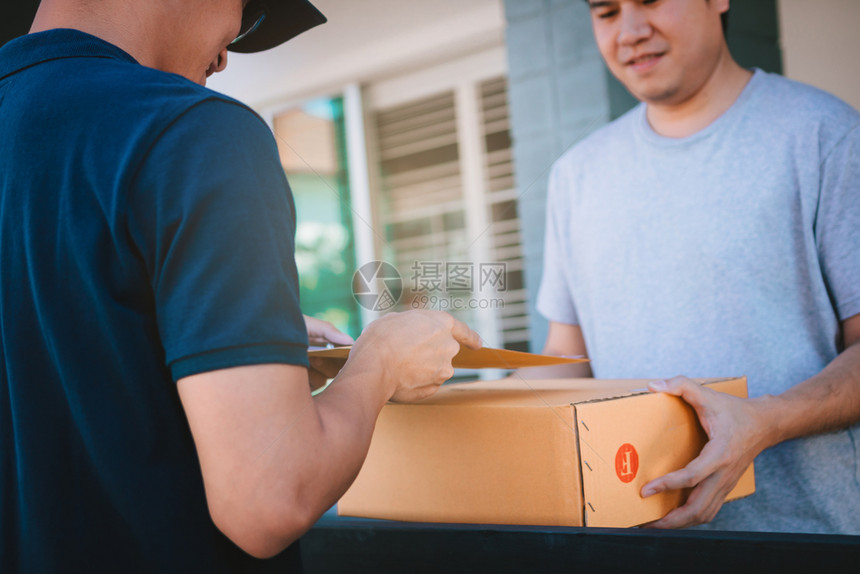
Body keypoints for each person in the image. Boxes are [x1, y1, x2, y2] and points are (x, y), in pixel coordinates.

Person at [0, 1, 482, 572]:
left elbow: (51, 343)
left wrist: (218, 335)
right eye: (248, 12)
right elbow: (270, 500)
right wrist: (379, 361)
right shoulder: (198, 131)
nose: (227, 54)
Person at [535, 0, 860, 534]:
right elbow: (566, 361)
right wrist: (456, 403)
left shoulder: (825, 135)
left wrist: (765, 421)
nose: (631, 32)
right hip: (632, 544)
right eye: (607, 12)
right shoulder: (576, 175)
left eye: (650, 1)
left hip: (803, 540)